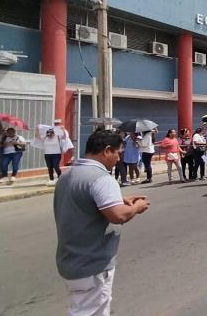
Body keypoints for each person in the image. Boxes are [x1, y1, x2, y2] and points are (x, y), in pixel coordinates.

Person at [54, 130, 150, 316]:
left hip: (71, 259)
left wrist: (119, 199)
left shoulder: (69, 175)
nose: (118, 158)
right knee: (89, 311)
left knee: (86, 308)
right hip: (91, 264)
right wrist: (137, 208)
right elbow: (117, 216)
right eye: (118, 153)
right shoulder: (102, 178)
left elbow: (85, 202)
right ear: (107, 150)